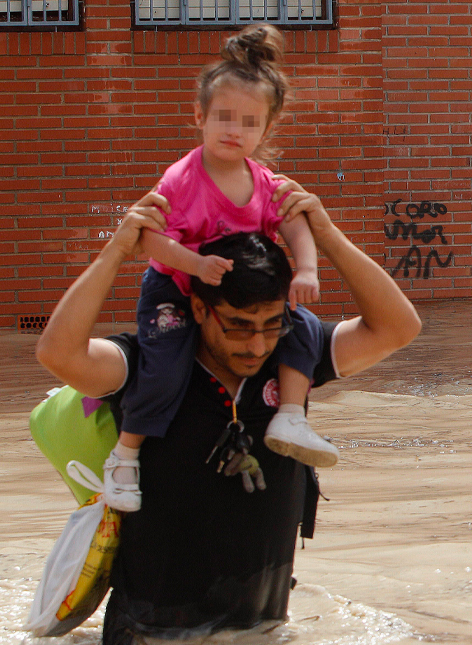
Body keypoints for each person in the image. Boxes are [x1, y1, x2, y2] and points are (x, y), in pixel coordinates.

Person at [34, 179, 422, 641]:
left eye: (271, 324)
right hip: (149, 634)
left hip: (261, 629)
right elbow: (59, 354)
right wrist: (114, 253)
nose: (257, 345)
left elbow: (398, 327)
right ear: (198, 308)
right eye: (238, 326)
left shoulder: (292, 364)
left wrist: (326, 234)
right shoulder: (148, 368)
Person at [105, 24, 334, 514]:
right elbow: (149, 237)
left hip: (238, 298)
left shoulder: (265, 182)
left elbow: (295, 225)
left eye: (250, 122)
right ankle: (125, 454)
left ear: (266, 129)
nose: (235, 130)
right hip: (175, 285)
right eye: (224, 117)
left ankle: (290, 416)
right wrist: (195, 263)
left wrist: (307, 270)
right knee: (164, 365)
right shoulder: (183, 179)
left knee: (306, 329)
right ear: (200, 117)